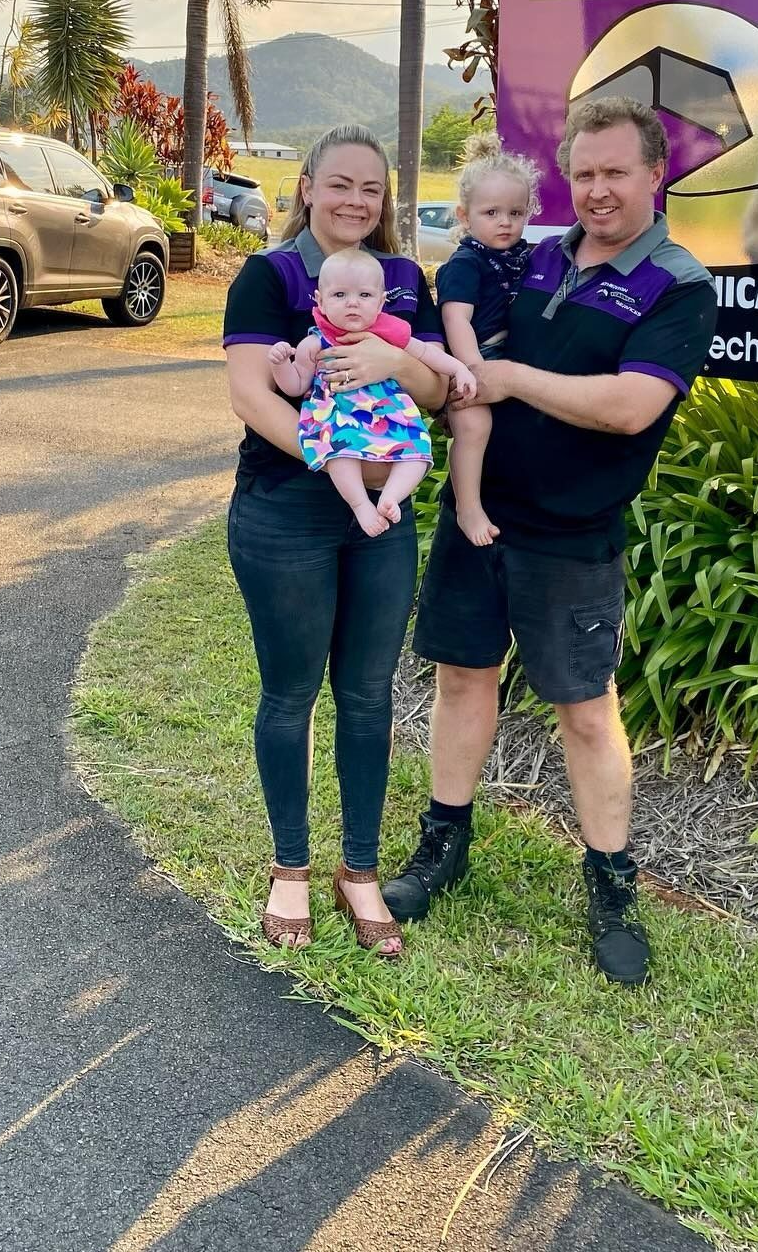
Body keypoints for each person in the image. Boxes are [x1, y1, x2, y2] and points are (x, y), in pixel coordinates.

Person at [383, 95, 718, 985]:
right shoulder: (528, 258)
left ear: (656, 175)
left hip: (573, 536)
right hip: (477, 515)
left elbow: (630, 406)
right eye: (584, 173)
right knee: (462, 677)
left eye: (616, 172)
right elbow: (453, 345)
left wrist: (512, 377)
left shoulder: (677, 284)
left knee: (584, 709)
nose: (598, 190)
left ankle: (612, 884)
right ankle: (443, 843)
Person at [222, 125, 450, 959]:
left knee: (367, 695)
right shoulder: (269, 276)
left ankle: (359, 869)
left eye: (372, 189)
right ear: (308, 187)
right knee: (290, 695)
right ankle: (291, 865)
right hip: (286, 511)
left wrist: (395, 367)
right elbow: (253, 395)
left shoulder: (401, 282)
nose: (358, 202)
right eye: (341, 184)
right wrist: (332, 457)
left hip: (381, 517)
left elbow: (428, 391)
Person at [269, 248, 475, 537]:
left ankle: (392, 495)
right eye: (340, 295)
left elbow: (428, 353)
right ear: (321, 301)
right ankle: (360, 504)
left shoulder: (391, 332)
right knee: (339, 453)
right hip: (339, 414)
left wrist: (459, 370)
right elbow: (296, 385)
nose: (352, 303)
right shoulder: (315, 343)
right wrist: (280, 365)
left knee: (417, 450)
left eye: (364, 296)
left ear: (380, 302)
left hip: (389, 412)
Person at [435, 132, 539, 548]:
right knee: (473, 424)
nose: (505, 222)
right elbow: (456, 319)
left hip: (511, 358)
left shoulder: (525, 256)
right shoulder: (465, 263)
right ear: (465, 215)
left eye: (516, 212)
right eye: (491, 212)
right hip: (472, 359)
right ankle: (467, 506)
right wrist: (471, 371)